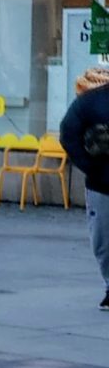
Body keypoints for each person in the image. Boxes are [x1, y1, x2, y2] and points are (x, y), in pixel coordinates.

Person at [60, 65, 109, 309]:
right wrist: (90, 166)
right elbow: (68, 133)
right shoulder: (91, 102)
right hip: (102, 184)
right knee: (103, 240)